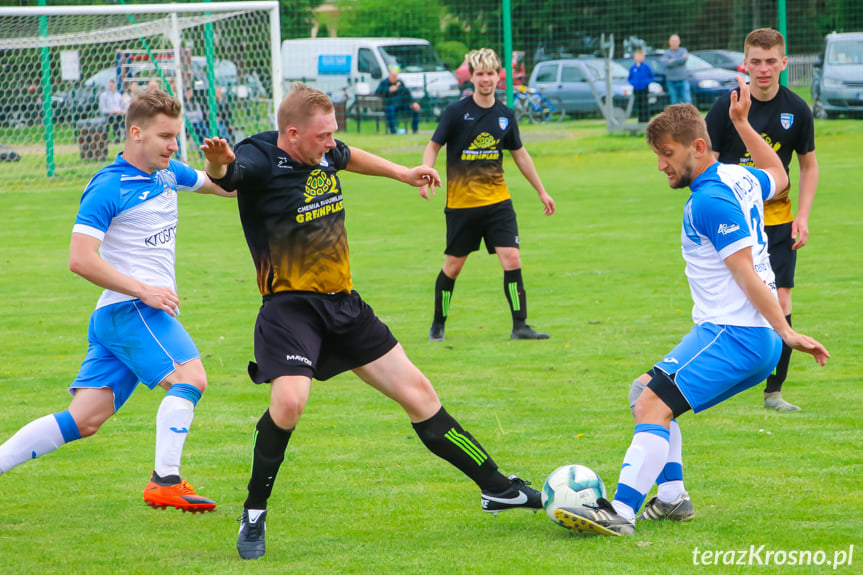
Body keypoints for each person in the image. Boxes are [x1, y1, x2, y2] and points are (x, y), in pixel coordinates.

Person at [200, 82, 543, 561]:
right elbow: (229, 175)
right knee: (290, 402)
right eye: (322, 135)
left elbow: (348, 155)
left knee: (420, 394)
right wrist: (217, 161)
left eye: (332, 133)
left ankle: (498, 489)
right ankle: (254, 511)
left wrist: (404, 173)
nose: (331, 142)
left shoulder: (322, 149)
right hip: (290, 308)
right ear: (293, 133)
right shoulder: (259, 158)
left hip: (344, 304)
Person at [552, 88, 829, 537]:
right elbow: (779, 172)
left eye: (667, 154)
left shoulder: (709, 200)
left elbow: (746, 275)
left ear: (698, 148)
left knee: (651, 404)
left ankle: (620, 512)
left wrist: (786, 332)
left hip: (736, 332)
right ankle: (672, 498)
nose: (661, 164)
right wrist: (742, 123)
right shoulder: (740, 178)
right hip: (737, 332)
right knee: (643, 391)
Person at [0, 89, 235, 513]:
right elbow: (79, 259)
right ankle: (165, 480)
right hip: (132, 310)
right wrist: (144, 290)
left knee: (83, 420)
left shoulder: (168, 173)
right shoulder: (109, 186)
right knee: (191, 377)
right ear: (135, 132)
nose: (172, 145)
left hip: (116, 317)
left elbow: (224, 188)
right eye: (165, 136)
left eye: (176, 136)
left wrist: (218, 160)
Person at [706, 28, 818, 412]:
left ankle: (774, 392)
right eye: (756, 61)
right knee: (733, 297)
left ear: (784, 63)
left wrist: (802, 216)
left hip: (778, 221)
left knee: (780, 296)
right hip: (736, 222)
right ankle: (722, 377)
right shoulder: (727, 107)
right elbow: (710, 165)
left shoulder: (797, 110)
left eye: (772, 61)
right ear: (745, 63)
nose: (764, 69)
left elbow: (809, 165)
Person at [421, 48, 555, 342]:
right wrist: (425, 173)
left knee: (512, 259)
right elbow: (433, 146)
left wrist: (542, 191)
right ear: (471, 77)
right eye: (480, 74)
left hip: (498, 203)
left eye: (491, 73)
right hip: (462, 205)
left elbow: (520, 155)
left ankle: (520, 326)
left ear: (498, 76)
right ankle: (437, 326)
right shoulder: (456, 112)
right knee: (453, 267)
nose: (486, 79)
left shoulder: (505, 116)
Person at [375, 65, 421, 134]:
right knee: (391, 109)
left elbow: (407, 94)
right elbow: (377, 92)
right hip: (389, 105)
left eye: (396, 76)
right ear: (389, 76)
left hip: (401, 105)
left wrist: (413, 102)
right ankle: (393, 131)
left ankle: (415, 130)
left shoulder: (400, 83)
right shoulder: (384, 83)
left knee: (414, 109)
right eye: (393, 76)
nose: (395, 78)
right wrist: (388, 90)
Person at [661, 35, 691, 105]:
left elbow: (684, 60)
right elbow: (665, 63)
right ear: (669, 42)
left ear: (679, 42)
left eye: (676, 41)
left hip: (683, 79)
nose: (674, 43)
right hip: (671, 81)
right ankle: (675, 116)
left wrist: (672, 60)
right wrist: (679, 59)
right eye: (672, 41)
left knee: (687, 101)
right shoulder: (666, 53)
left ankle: (690, 116)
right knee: (674, 102)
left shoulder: (684, 50)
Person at [628, 48, 655, 123]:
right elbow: (630, 78)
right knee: (638, 104)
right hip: (636, 89)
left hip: (644, 88)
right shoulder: (633, 68)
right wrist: (634, 83)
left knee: (645, 104)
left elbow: (651, 76)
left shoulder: (646, 66)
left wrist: (646, 82)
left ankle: (646, 120)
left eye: (641, 56)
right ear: (634, 57)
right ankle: (640, 120)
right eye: (638, 56)